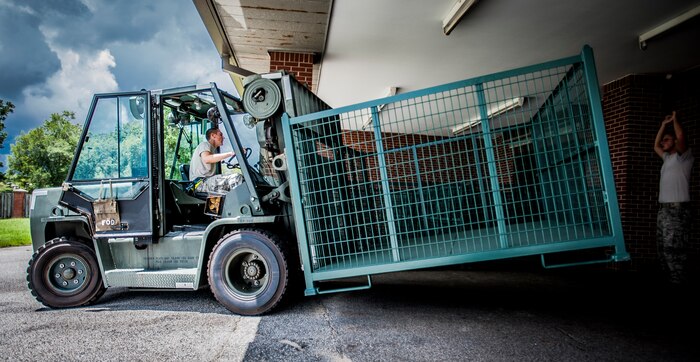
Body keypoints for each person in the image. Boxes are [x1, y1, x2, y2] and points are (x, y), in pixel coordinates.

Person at [653, 111, 694, 285]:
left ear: (676, 142)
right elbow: (655, 145)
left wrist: (675, 120)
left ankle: (678, 281)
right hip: (664, 211)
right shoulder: (667, 159)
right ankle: (668, 278)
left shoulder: (683, 157)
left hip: (677, 211)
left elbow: (681, 135)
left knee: (673, 249)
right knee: (662, 248)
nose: (663, 142)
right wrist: (663, 125)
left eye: (667, 139)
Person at [190, 127, 243, 193]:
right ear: (213, 136)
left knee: (242, 180)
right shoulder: (204, 145)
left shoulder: (214, 151)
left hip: (208, 182)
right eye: (220, 134)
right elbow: (207, 159)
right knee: (237, 178)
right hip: (200, 183)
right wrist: (232, 153)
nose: (223, 137)